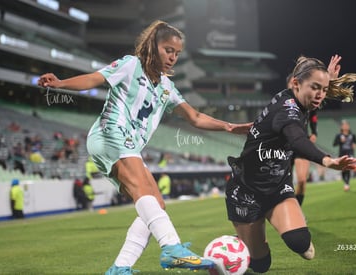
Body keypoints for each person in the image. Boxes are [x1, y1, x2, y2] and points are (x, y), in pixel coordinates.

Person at [37, 20, 252, 274]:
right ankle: (171, 247)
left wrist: (229, 126)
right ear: (154, 46)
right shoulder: (131, 65)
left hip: (126, 145)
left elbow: (194, 117)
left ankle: (120, 268)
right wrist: (60, 83)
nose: (172, 57)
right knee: (143, 191)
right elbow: (94, 78)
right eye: (168, 50)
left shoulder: (166, 87)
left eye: (176, 53)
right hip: (111, 133)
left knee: (155, 204)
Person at [225, 56, 356, 273]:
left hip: (277, 187)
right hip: (246, 192)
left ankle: (252, 236)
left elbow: (312, 102)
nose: (320, 95)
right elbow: (298, 140)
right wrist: (327, 160)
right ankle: (240, 241)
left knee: (301, 244)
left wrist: (327, 80)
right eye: (315, 87)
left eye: (324, 89)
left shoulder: (300, 100)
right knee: (261, 266)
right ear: (296, 84)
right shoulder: (287, 110)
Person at [288, 55, 342, 206]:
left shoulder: (311, 92)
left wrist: (314, 133)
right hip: (285, 140)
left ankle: (297, 211)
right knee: (283, 184)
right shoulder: (293, 85)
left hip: (301, 139)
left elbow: (314, 109)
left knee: (302, 181)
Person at [333, 119, 356, 191]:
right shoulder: (339, 135)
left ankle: (347, 183)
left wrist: (354, 145)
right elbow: (334, 144)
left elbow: (355, 143)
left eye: (347, 125)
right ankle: (346, 183)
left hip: (350, 153)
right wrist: (340, 141)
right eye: (344, 125)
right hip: (342, 154)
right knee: (343, 169)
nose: (346, 126)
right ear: (341, 127)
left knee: (348, 168)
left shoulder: (352, 135)